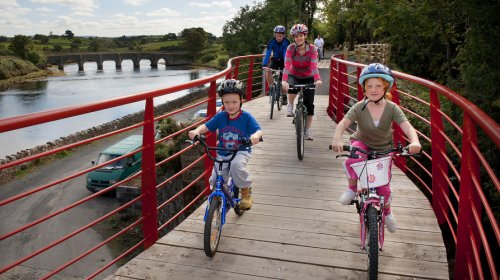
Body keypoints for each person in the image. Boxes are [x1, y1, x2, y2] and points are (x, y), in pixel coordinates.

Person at [330, 63, 422, 233]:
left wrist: (415, 141)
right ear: (364, 88)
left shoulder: (392, 108)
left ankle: (387, 212)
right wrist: (337, 139)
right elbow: (343, 123)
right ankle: (351, 188)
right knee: (353, 158)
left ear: (385, 87)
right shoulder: (359, 107)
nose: (373, 89)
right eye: (369, 86)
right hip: (362, 142)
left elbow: (407, 127)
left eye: (378, 85)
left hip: (383, 148)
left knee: (384, 189)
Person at [188, 79, 263, 210]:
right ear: (222, 102)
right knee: (214, 178)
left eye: (234, 102)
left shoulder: (246, 117)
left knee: (236, 166)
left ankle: (245, 191)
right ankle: (221, 197)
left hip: (241, 150)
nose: (230, 106)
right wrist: (196, 131)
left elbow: (258, 130)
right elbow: (206, 126)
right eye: (226, 102)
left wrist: (255, 136)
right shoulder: (221, 116)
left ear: (242, 100)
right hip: (223, 152)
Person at [282, 23, 322, 140]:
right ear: (293, 38)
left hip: (309, 76)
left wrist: (317, 79)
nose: (298, 38)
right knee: (291, 87)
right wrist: (284, 80)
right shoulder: (290, 48)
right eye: (296, 36)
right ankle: (290, 105)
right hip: (294, 74)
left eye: (300, 35)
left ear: (305, 36)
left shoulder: (313, 49)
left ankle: (308, 130)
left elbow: (314, 66)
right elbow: (287, 64)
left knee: (309, 104)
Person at [262, 25, 290, 105]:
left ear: (283, 35)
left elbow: (286, 54)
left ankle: (284, 96)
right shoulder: (272, 42)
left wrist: (286, 66)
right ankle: (271, 88)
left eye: (280, 36)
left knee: (284, 79)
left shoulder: (286, 42)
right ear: (275, 35)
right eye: (277, 36)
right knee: (268, 71)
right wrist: (264, 65)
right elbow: (268, 53)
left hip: (284, 61)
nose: (278, 37)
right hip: (275, 60)